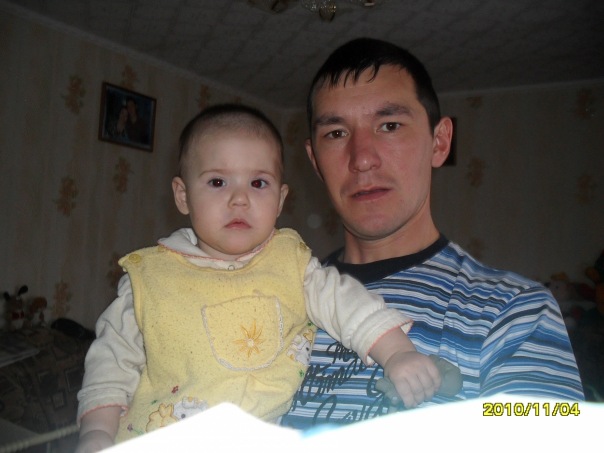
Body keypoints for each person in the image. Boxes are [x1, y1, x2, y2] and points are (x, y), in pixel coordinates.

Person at [75, 104, 442, 452]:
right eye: (218, 181)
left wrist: (397, 354)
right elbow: (111, 362)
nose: (240, 199)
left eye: (258, 183)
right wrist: (96, 432)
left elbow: (346, 304)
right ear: (183, 196)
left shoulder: (291, 264)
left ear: (280, 201)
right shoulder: (149, 278)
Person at [280, 37, 584, 429]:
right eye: (336, 133)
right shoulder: (278, 297)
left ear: (439, 142)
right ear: (315, 161)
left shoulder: (515, 314)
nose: (362, 159)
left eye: (390, 126)